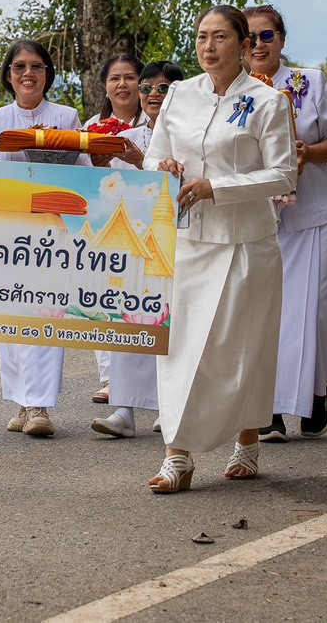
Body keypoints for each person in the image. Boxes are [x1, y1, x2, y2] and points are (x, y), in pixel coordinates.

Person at [142, 5, 297, 493]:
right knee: (181, 349)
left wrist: (219, 186)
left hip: (246, 245)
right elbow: (151, 155)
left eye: (220, 38)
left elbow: (284, 174)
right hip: (187, 241)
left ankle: (247, 441)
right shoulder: (179, 95)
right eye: (201, 37)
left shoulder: (268, 102)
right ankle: (177, 456)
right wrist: (162, 167)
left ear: (244, 44)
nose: (208, 47)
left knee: (239, 350)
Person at [244, 5, 327, 442]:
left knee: (310, 307)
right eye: (249, 37)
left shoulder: (310, 83)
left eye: (266, 35)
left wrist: (308, 153)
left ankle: (313, 389)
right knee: (265, 312)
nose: (258, 45)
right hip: (255, 217)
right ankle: (268, 405)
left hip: (314, 213)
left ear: (282, 39)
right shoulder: (231, 91)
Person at [0, 39, 89, 438]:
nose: (28, 73)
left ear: (48, 74)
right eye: (20, 66)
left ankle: (39, 404)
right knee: (9, 315)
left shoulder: (66, 116)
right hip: (5, 231)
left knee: (45, 312)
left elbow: (83, 168)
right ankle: (22, 402)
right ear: (8, 75)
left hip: (49, 229)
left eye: (37, 67)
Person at [92, 59, 185, 438]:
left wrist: (138, 160)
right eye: (147, 88)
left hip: (177, 238)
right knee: (130, 316)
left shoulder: (190, 132)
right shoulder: (126, 134)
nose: (152, 95)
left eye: (164, 88)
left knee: (172, 323)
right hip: (133, 239)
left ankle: (171, 406)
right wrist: (100, 162)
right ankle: (125, 408)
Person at [84, 54, 148, 406]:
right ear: (105, 87)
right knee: (104, 299)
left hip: (146, 221)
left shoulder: (157, 122)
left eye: (129, 78)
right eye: (114, 79)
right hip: (104, 220)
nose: (122, 85)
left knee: (143, 300)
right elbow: (83, 178)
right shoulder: (91, 127)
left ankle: (146, 383)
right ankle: (110, 379)